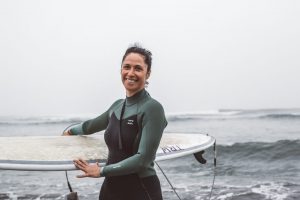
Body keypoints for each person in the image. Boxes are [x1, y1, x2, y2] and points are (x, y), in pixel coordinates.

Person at [63, 44, 167, 200]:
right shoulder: (117, 107)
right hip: (110, 191)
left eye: (138, 68)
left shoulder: (152, 108)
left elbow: (143, 160)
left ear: (148, 73)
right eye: (127, 67)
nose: (130, 73)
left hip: (141, 191)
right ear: (121, 70)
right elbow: (90, 126)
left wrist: (101, 171)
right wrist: (70, 131)